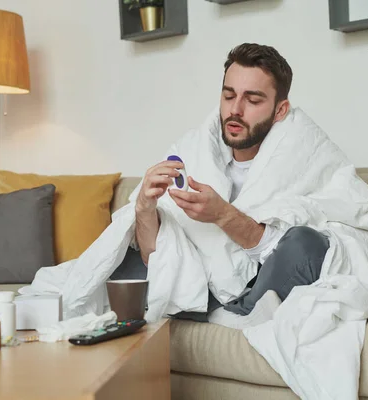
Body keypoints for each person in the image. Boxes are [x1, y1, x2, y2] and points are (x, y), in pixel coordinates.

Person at [109, 43, 331, 327]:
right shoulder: (191, 151)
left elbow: (331, 243)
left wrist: (223, 215)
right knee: (124, 266)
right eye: (229, 96)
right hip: (201, 285)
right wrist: (144, 208)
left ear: (280, 110)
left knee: (306, 243)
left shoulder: (308, 155)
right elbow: (156, 257)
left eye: (253, 100)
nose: (235, 110)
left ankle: (234, 314)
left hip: (262, 284)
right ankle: (227, 314)